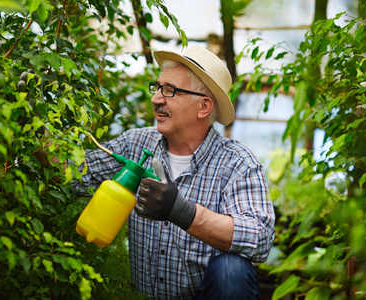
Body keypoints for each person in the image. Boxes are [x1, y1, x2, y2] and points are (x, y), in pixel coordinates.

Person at [72, 45, 275, 299]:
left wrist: (183, 212)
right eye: (157, 88)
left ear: (203, 107)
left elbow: (260, 237)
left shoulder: (237, 164)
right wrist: (33, 131)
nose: (156, 99)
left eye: (170, 91)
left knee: (231, 270)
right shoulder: (136, 144)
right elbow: (76, 176)